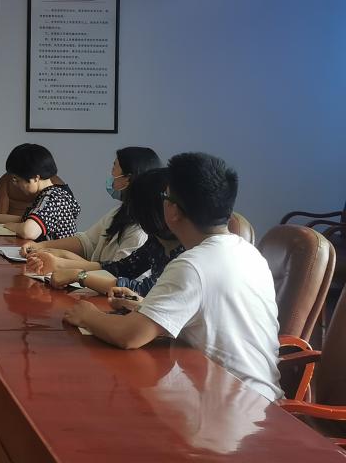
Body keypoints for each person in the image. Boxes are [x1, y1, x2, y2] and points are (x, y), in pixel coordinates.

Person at [63, 153, 282, 402]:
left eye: (165, 197)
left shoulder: (192, 264)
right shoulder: (249, 252)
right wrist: (146, 308)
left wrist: (88, 315)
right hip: (260, 400)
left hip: (229, 405)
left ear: (173, 210)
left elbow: (129, 336)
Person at [34, 168, 182, 296]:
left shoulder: (182, 254)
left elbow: (141, 290)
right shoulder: (157, 242)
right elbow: (121, 268)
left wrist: (80, 275)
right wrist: (60, 264)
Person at [20, 147, 159, 266]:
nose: (111, 174)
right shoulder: (119, 212)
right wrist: (41, 246)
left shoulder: (140, 231)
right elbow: (87, 242)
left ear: (127, 179)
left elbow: (115, 273)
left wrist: (61, 257)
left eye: (114, 167)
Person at [0, 143, 79, 240]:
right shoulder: (53, 193)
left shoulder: (52, 197)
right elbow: (23, 219)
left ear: (35, 178)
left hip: (56, 257)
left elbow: (28, 231)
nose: (15, 184)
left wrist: (8, 226)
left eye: (17, 179)